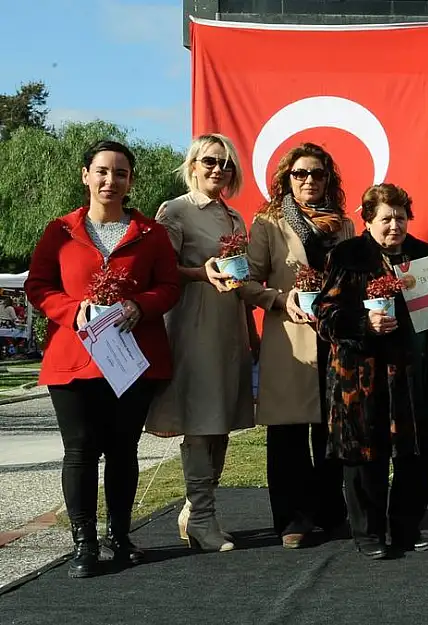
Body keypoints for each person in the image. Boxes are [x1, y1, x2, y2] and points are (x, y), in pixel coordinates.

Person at [25, 140, 180, 577]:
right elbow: (38, 287)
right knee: (79, 451)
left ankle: (119, 536)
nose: (111, 181)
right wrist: (74, 311)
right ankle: (84, 543)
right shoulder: (59, 231)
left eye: (121, 173)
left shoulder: (152, 234)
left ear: (131, 181)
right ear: (86, 175)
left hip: (131, 359)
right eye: (103, 171)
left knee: (123, 450)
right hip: (73, 360)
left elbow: (169, 286)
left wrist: (139, 306)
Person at [315, 183, 428, 559]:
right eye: (385, 218)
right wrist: (365, 322)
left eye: (400, 217)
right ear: (367, 220)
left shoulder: (425, 257)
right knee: (365, 455)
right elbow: (325, 316)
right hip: (360, 376)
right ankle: (368, 533)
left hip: (412, 375)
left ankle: (407, 529)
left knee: (414, 455)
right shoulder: (348, 255)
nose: (394, 225)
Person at [240, 142, 354, 549]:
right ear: (286, 178)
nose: (309, 180)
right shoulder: (268, 222)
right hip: (289, 340)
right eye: (300, 173)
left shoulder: (343, 226)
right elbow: (246, 282)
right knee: (287, 435)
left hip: (335, 340)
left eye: (318, 174)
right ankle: (292, 518)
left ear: (329, 180)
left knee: (331, 431)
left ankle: (330, 511)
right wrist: (277, 298)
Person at [145, 134, 256, 552]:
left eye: (226, 163)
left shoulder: (235, 218)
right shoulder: (176, 211)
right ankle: (202, 515)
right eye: (210, 161)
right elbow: (160, 270)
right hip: (193, 326)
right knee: (200, 421)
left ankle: (198, 512)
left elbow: (240, 279)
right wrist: (199, 272)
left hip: (230, 328)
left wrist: (252, 329)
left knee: (222, 422)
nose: (218, 169)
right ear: (192, 164)